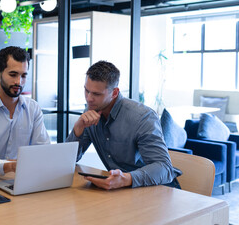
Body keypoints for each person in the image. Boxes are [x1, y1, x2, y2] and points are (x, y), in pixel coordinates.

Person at [67, 60, 179, 190]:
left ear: (114, 93)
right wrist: (77, 131)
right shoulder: (90, 112)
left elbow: (164, 168)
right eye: (86, 91)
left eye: (97, 94)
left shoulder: (142, 117)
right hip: (122, 191)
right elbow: (66, 161)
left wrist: (126, 179)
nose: (89, 98)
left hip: (156, 189)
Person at [0, 46, 50, 177]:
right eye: (13, 75)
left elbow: (43, 151)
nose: (19, 82)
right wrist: (8, 166)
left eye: (23, 76)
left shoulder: (33, 109)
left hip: (23, 180)